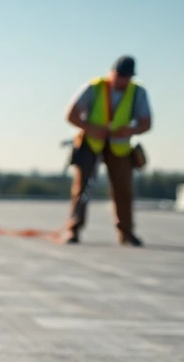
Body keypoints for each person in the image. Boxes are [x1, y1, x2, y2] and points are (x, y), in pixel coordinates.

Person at [62, 55, 152, 246]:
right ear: (111, 73)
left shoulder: (137, 93)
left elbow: (146, 122)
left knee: (123, 190)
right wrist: (92, 128)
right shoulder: (94, 87)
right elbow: (71, 115)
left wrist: (130, 130)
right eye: (119, 76)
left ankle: (126, 232)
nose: (121, 81)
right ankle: (73, 228)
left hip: (119, 147)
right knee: (82, 187)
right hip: (91, 143)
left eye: (126, 77)